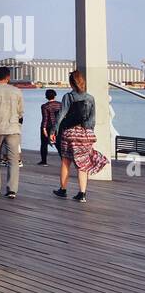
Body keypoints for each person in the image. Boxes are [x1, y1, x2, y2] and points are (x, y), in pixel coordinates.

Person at [51, 69, 108, 203]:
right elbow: (92, 120)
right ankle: (82, 194)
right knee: (83, 163)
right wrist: (88, 133)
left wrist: (54, 131)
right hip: (85, 133)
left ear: (72, 83)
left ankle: (63, 190)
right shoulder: (90, 98)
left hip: (70, 133)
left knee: (66, 161)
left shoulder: (68, 97)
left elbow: (60, 115)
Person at [0, 66, 24, 199]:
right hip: (13, 129)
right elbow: (20, 112)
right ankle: (12, 189)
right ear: (8, 77)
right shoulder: (17, 91)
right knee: (13, 159)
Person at [39, 88, 60, 165]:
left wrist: (44, 129)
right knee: (58, 144)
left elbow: (45, 118)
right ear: (55, 96)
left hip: (47, 126)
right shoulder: (60, 104)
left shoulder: (44, 106)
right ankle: (63, 160)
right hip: (58, 127)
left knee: (44, 144)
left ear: (46, 97)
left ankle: (44, 161)